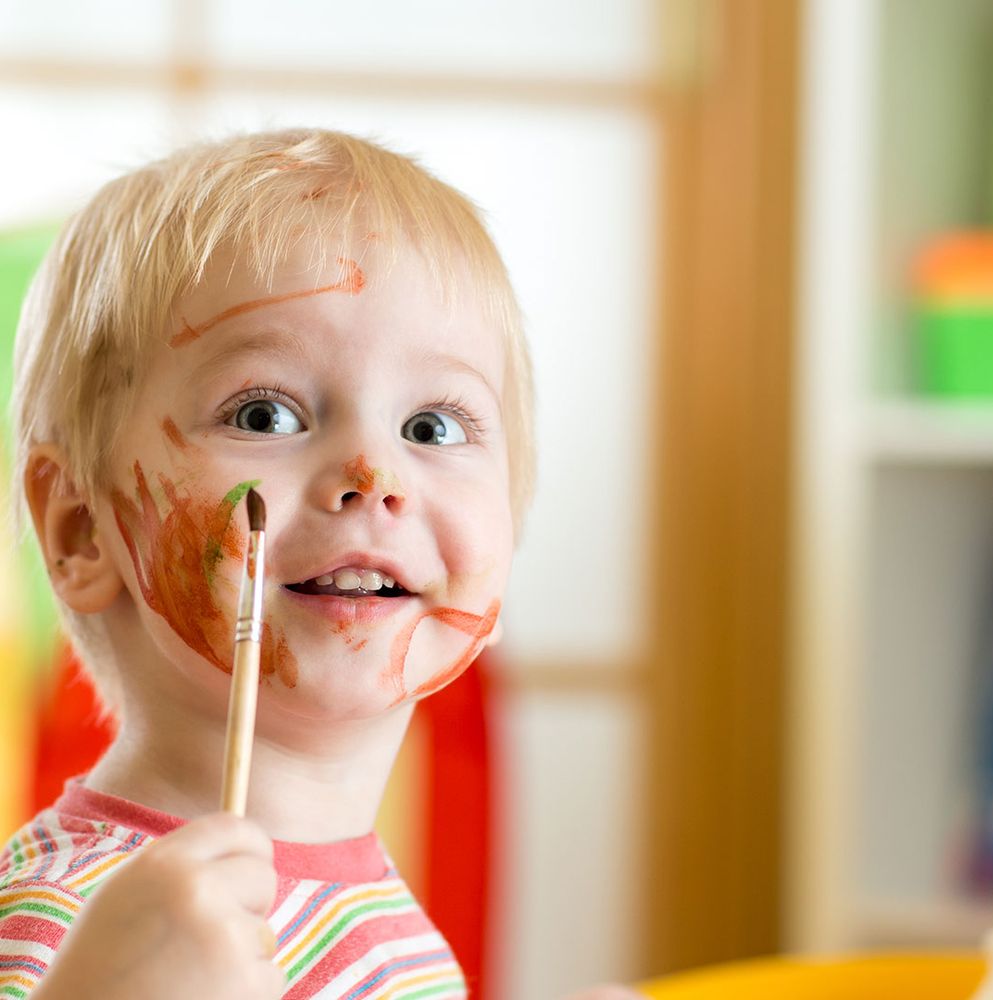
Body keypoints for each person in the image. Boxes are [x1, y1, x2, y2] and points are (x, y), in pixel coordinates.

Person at [0, 129, 643, 999]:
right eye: (265, 414)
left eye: (432, 427)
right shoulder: (83, 925)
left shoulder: (383, 921)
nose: (372, 475)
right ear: (82, 531)